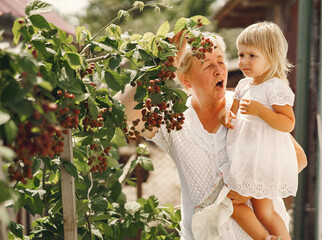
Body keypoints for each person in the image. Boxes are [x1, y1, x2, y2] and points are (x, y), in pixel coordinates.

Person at [114, 30, 307, 240]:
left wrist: (247, 185)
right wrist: (158, 68)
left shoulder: (248, 107)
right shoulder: (173, 119)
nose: (219, 70)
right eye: (207, 65)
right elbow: (119, 112)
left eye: (221, 61)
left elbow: (298, 158)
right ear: (186, 81)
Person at [193, 22, 298, 240]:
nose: (243, 61)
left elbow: (288, 123)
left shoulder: (275, 87)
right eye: (241, 54)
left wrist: (261, 111)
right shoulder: (244, 84)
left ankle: (264, 238)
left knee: (232, 201)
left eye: (252, 55)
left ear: (271, 56)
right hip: (245, 156)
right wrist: (227, 116)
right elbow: (233, 112)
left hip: (261, 160)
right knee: (263, 211)